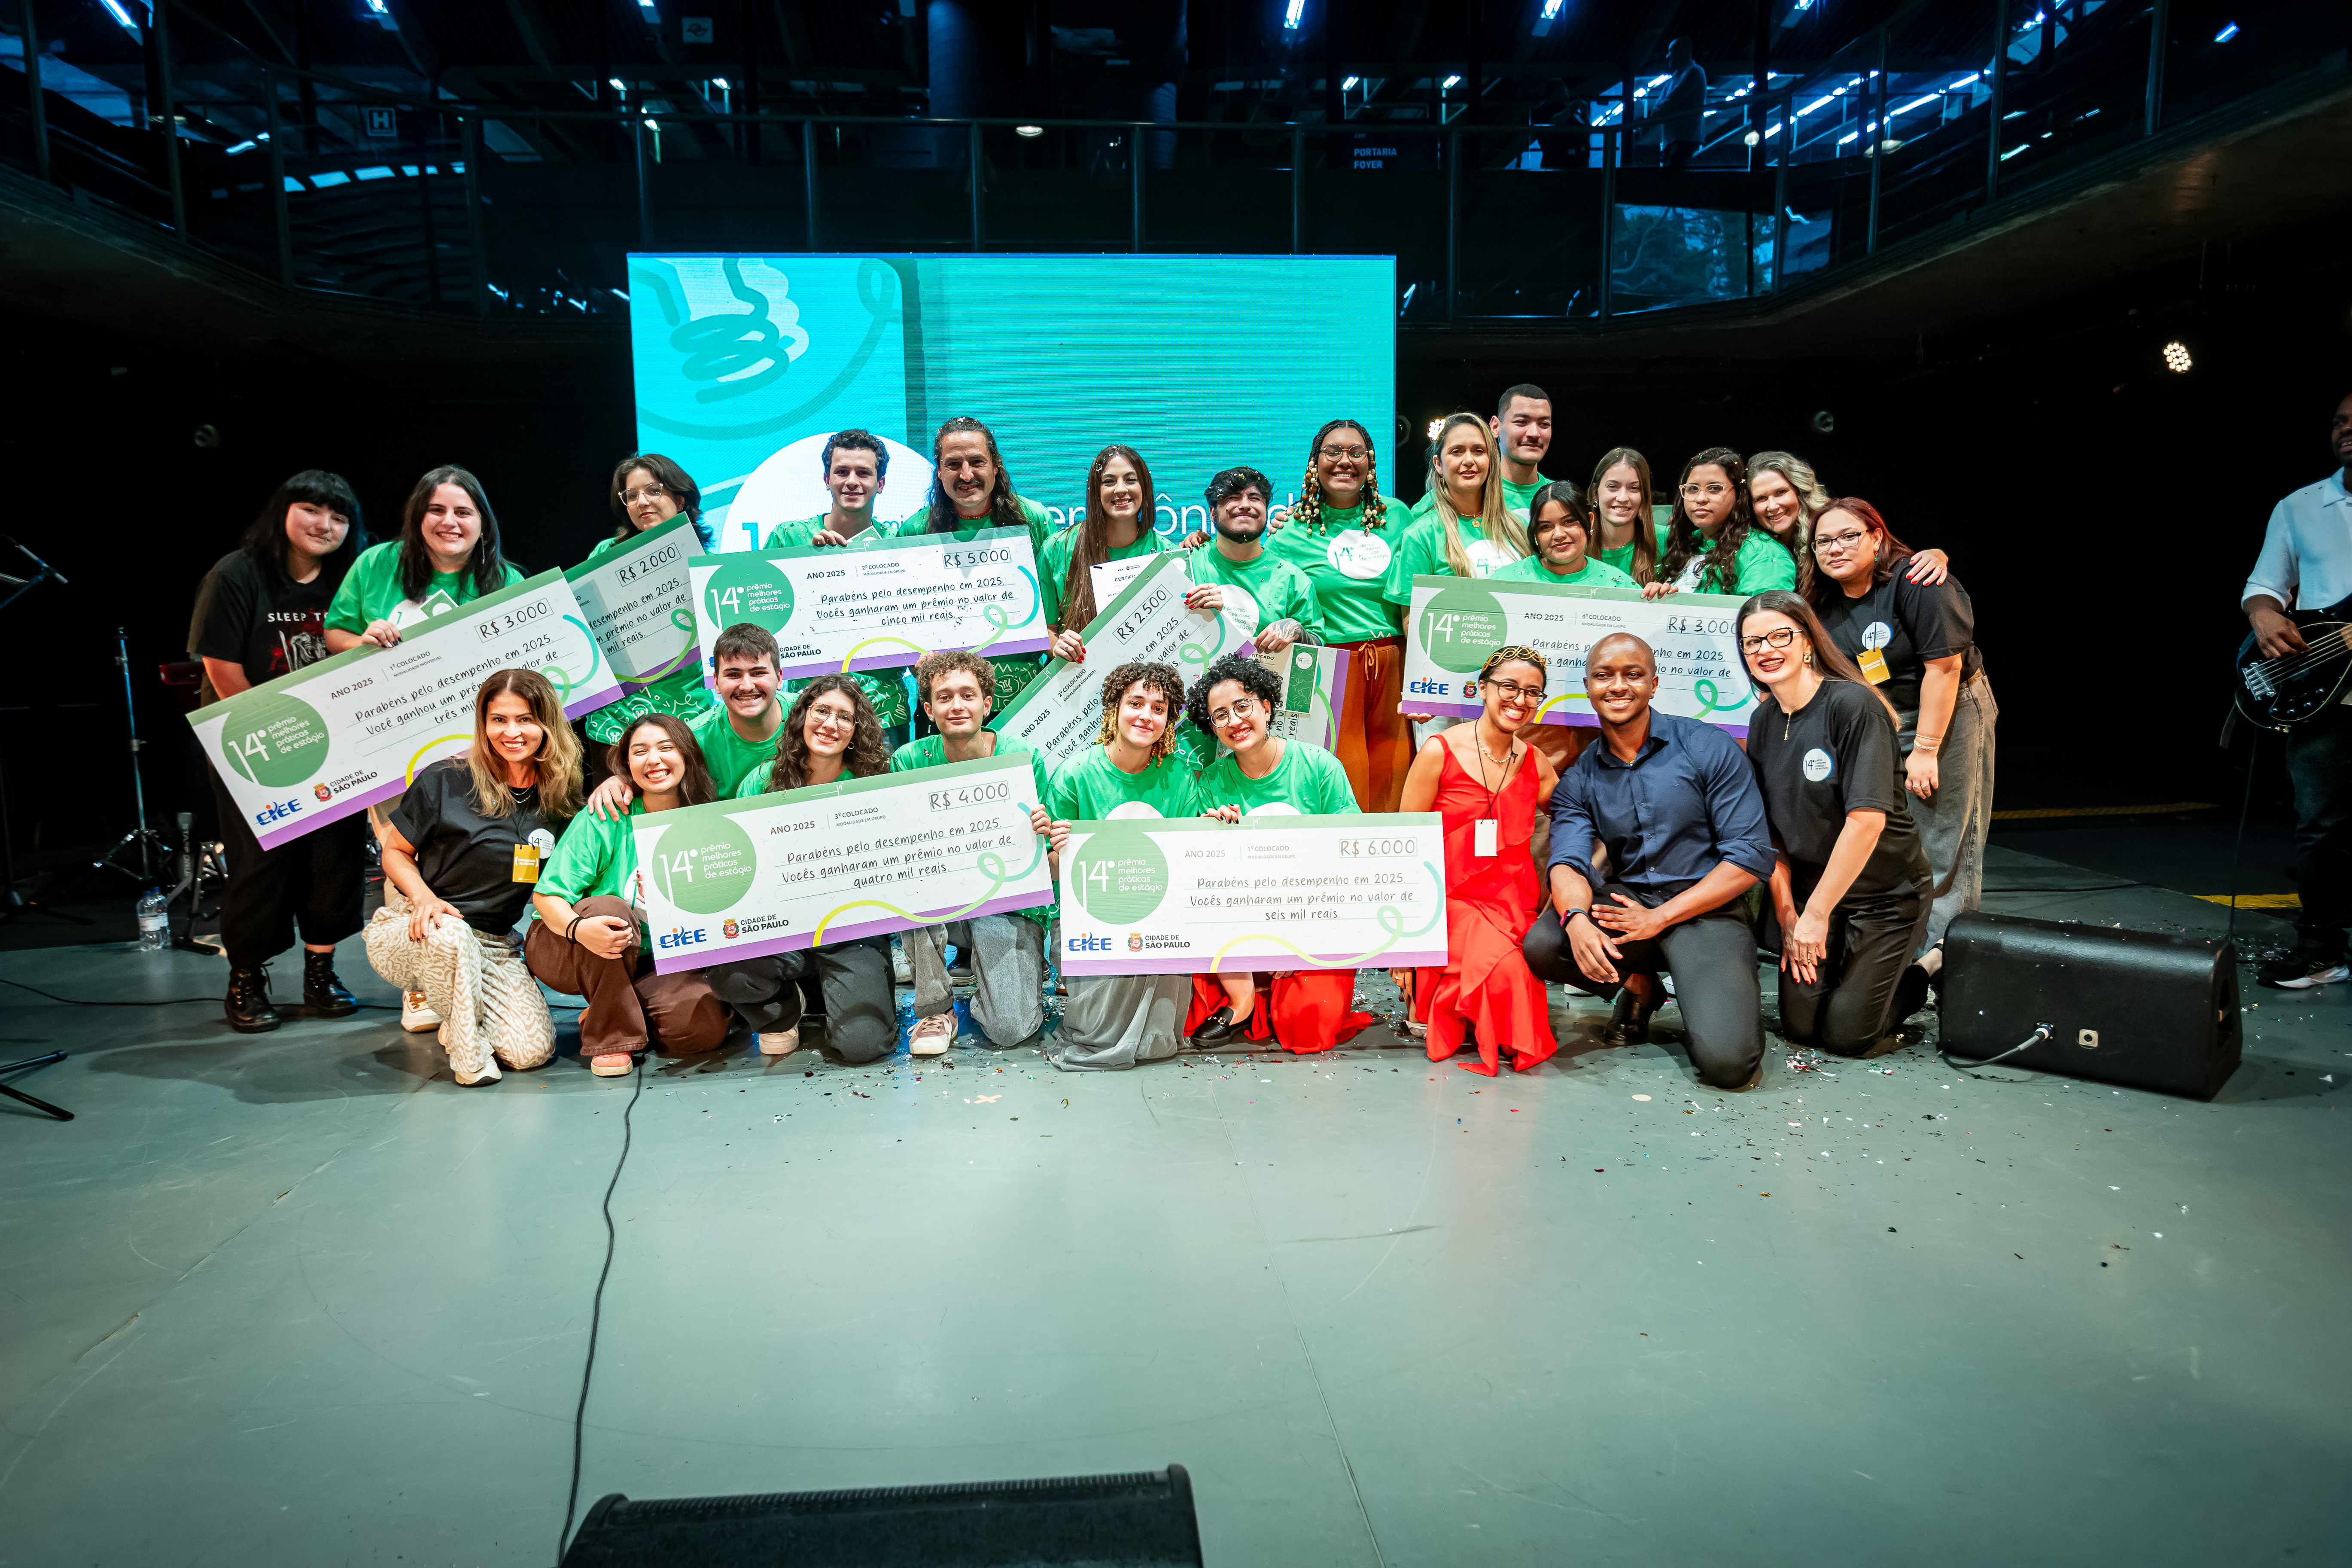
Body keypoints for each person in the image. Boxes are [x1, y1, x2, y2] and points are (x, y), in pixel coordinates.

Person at [1521, 633, 1776, 1090]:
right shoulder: (1580, 777)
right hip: (1631, 906)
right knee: (1544, 944)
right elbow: (1567, 862)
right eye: (1604, 676)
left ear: (1653, 684)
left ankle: (1703, 990)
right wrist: (1575, 918)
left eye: (1632, 674)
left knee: (1727, 1066)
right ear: (1588, 687)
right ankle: (1640, 985)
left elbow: (1749, 856)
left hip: (1706, 911)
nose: (1618, 686)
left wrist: (1660, 918)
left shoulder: (1707, 746)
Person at [189, 470, 369, 1032]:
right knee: (259, 863)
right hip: (255, 743)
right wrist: (275, 738)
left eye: (338, 517)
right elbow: (222, 668)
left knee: (334, 861)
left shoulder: (350, 578)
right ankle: (246, 977)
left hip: (336, 746)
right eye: (312, 510)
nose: (324, 525)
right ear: (283, 512)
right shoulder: (236, 574)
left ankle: (321, 973)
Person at [1804, 499, 1994, 999]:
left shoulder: (1918, 580)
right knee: (1885, 836)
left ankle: (1942, 966)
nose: (1835, 548)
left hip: (1946, 710)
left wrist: (1925, 750)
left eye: (1848, 536)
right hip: (1882, 717)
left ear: (1875, 537)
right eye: (1823, 541)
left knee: (1942, 838)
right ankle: (1895, 954)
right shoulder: (1819, 600)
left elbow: (1945, 668)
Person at [1739, 590, 1935, 1054]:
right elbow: (1770, 833)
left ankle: (1927, 968)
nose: (1765, 650)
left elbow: (1865, 822)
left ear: (1808, 641)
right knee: (1801, 1028)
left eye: (1779, 636)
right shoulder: (1762, 721)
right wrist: (1789, 915)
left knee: (1848, 1037)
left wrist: (1815, 916)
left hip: (1883, 897)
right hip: (1812, 896)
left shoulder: (1853, 705)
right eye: (1752, 643)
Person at [365, 670, 581, 1084]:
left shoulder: (560, 798)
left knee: (531, 1052)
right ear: (484, 723)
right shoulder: (445, 779)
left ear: (547, 724)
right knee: (451, 935)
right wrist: (424, 898)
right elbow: (395, 852)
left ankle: (458, 1013)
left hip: (494, 943)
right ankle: (470, 1055)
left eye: (525, 719)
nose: (511, 732)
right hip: (421, 928)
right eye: (499, 719)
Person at [1182, 655, 1373, 1053]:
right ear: (1212, 728)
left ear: (1266, 707)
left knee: (1306, 1027)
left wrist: (1297, 936)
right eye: (1220, 715)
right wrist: (1213, 837)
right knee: (1188, 1008)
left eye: (1242, 706)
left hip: (1315, 916)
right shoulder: (1211, 782)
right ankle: (1245, 999)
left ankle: (1275, 994)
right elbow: (1207, 880)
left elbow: (1349, 857)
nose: (1235, 721)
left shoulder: (1319, 766)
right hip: (1238, 922)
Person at [527, 714, 731, 1076]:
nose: (653, 759)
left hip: (651, 958)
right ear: (626, 764)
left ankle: (612, 1006)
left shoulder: (706, 822)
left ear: (687, 755)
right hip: (566, 943)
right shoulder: (606, 815)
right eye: (640, 751)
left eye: (666, 748)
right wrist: (579, 928)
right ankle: (611, 1037)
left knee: (701, 1028)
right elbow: (547, 897)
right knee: (610, 910)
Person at [718, 677, 904, 1063]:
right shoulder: (763, 781)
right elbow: (740, 860)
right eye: (821, 711)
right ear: (802, 716)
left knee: (863, 1046)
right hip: (782, 929)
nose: (831, 724)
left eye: (845, 717)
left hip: (852, 931)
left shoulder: (874, 783)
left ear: (855, 731)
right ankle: (785, 1009)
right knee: (727, 972)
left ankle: (834, 990)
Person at [1394, 646, 1561, 1075]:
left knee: (1516, 976)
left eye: (1532, 692)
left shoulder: (1536, 763)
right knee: (1508, 975)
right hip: (1450, 900)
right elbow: (1405, 844)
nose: (1520, 700)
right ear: (1482, 688)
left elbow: (1576, 818)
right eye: (1509, 687)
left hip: (1512, 904)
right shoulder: (1439, 751)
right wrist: (1403, 943)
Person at [1039, 661, 1204, 1070]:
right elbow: (1050, 872)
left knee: (1156, 1042)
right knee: (1099, 1032)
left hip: (1160, 913)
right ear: (1114, 707)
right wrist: (1060, 851)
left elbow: (1188, 863)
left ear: (1169, 720)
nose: (1146, 716)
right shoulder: (1075, 774)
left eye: (1158, 708)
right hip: (1085, 916)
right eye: (1136, 703)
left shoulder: (1180, 777)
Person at [2240, 390, 2352, 988]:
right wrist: (2262, 614)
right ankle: (2320, 949)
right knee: (2321, 826)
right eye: (2338, 421)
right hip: (2325, 694)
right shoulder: (2300, 506)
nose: (2345, 430)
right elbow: (2263, 584)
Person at [889, 650, 1052, 1055]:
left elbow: (1043, 852)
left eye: (968, 695)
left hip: (1006, 901)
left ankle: (1012, 970)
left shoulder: (1023, 757)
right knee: (910, 889)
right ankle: (936, 1009)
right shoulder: (909, 761)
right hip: (938, 900)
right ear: (928, 709)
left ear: (987, 703)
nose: (957, 706)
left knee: (1009, 1029)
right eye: (944, 697)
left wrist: (1043, 830)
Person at [1263, 419, 1415, 811]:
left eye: (1356, 452)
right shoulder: (1289, 530)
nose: (1344, 461)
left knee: (1395, 775)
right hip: (1327, 667)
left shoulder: (1399, 516)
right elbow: (1266, 593)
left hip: (1394, 663)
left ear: (1371, 463)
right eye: (1332, 452)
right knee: (1341, 776)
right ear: (1314, 462)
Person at [762, 430, 913, 739]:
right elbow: (762, 625)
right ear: (826, 479)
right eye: (842, 472)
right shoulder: (788, 539)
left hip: (883, 712)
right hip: (809, 710)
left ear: (881, 484)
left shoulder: (899, 546)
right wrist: (809, 565)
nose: (852, 481)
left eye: (864, 473)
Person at [577, 453, 715, 788]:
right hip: (614, 723)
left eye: (654, 491)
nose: (642, 502)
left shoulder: (705, 564)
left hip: (686, 715)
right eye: (632, 495)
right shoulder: (604, 555)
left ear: (680, 499)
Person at [1389, 414, 1533, 730]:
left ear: (1491, 460)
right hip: (1449, 696)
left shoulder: (1518, 530)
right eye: (1457, 452)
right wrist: (1429, 687)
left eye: (1479, 451)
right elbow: (1412, 621)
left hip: (1514, 691)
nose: (1469, 460)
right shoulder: (1420, 535)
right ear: (1439, 465)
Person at [916, 416, 1062, 711]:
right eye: (953, 464)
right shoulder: (917, 530)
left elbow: (1059, 601)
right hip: (948, 702)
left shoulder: (1033, 519)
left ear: (996, 466)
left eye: (977, 462)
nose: (966, 474)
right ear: (939, 472)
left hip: (1026, 695)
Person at [585, 624, 785, 819]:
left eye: (758, 673)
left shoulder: (802, 719)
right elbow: (657, 775)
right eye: (734, 675)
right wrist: (622, 781)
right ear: (716, 682)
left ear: (779, 677)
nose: (747, 686)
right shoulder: (692, 740)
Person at [324, 465, 523, 651]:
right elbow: (335, 634)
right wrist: (365, 643)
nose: (449, 522)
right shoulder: (375, 562)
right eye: (436, 510)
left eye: (463, 513)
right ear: (418, 518)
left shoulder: (508, 581)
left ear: (483, 525)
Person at [1750, 451, 1953, 588]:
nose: (1772, 506)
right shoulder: (1747, 545)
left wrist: (1935, 556)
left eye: (1781, 492)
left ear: (1799, 491)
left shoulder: (1830, 521)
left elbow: (1882, 552)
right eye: (1761, 499)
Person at [1178, 466, 1324, 658]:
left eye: (1255, 499)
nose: (1246, 505)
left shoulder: (1292, 579)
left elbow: (1320, 648)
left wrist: (1296, 630)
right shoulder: (1186, 563)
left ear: (1266, 510)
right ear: (1212, 513)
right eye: (1233, 498)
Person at [1041, 444, 1170, 654]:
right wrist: (1058, 648)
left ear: (1145, 488)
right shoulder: (1057, 549)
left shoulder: (1168, 555)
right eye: (1109, 482)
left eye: (1131, 480)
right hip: (1082, 671)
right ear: (1096, 491)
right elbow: (1044, 629)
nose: (1120, 490)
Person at [1650, 448, 1795, 599]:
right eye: (1693, 489)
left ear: (1739, 495)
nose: (1700, 499)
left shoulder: (1763, 554)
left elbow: (1764, 613)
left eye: (1715, 489)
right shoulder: (1684, 543)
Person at [1588, 447, 1664, 584]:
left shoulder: (1667, 539)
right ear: (1595, 493)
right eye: (1613, 487)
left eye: (1634, 488)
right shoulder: (1578, 545)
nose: (1623, 498)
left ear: (1644, 496)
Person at [1656, 37, 1707, 169]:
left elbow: (1670, 100)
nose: (1668, 56)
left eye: (1672, 52)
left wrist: (1661, 111)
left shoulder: (1694, 72)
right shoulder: (1679, 76)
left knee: (1672, 173)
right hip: (1678, 138)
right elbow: (1668, 103)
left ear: (1683, 52)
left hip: (1683, 138)